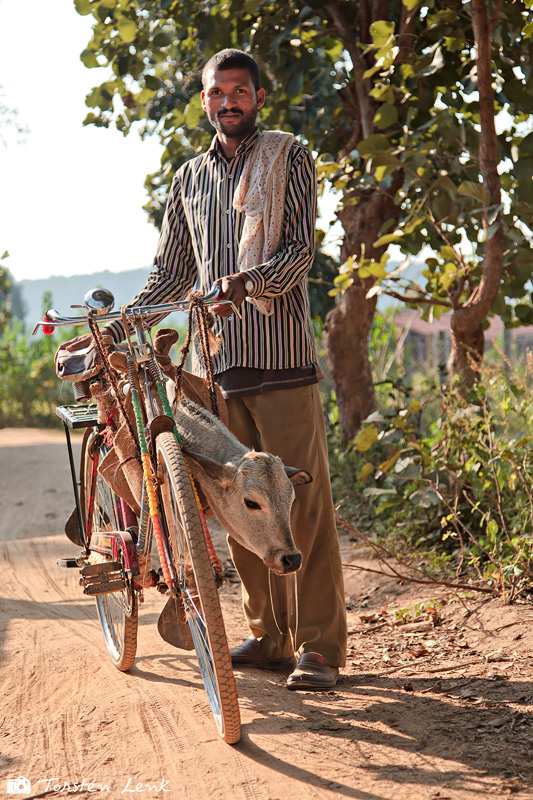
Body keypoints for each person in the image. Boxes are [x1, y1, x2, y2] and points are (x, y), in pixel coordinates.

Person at [69, 48, 347, 690]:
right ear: (204, 101)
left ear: (258, 97)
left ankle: (319, 647)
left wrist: (245, 284)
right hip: (214, 368)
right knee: (234, 503)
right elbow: (171, 273)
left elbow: (299, 252)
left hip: (278, 359)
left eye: (240, 90)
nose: (229, 101)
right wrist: (127, 321)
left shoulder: (289, 156)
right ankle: (269, 636)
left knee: (297, 501)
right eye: (218, 91)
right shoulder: (188, 178)